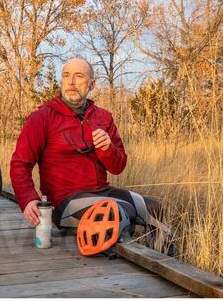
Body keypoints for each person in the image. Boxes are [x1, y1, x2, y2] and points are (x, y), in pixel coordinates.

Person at [10, 58, 174, 252]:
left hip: (102, 193)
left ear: (92, 84)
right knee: (119, 211)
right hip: (65, 202)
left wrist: (108, 149)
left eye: (78, 76)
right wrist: (28, 199)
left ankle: (161, 262)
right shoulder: (42, 117)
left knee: (156, 208)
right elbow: (20, 163)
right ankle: (125, 260)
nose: (70, 82)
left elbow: (118, 166)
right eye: (66, 76)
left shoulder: (103, 117)